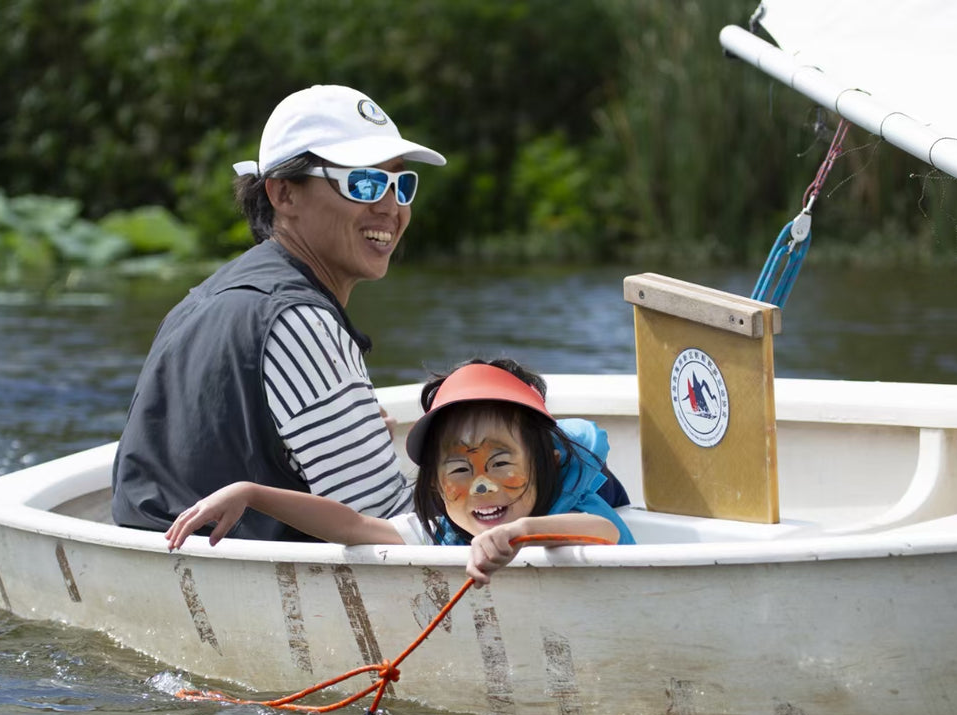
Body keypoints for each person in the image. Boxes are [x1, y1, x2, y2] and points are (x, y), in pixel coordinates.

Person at [111, 84, 446, 540]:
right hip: (239, 583)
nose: (390, 207)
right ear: (283, 194)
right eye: (362, 182)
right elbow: (391, 524)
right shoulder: (300, 321)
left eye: (401, 184)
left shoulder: (206, 297)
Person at [165, 359, 636, 584]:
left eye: (500, 463)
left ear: (549, 460)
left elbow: (603, 533)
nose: (482, 485)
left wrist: (521, 532)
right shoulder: (444, 531)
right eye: (458, 468)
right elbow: (352, 526)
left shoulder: (572, 509)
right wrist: (252, 493)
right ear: (434, 482)